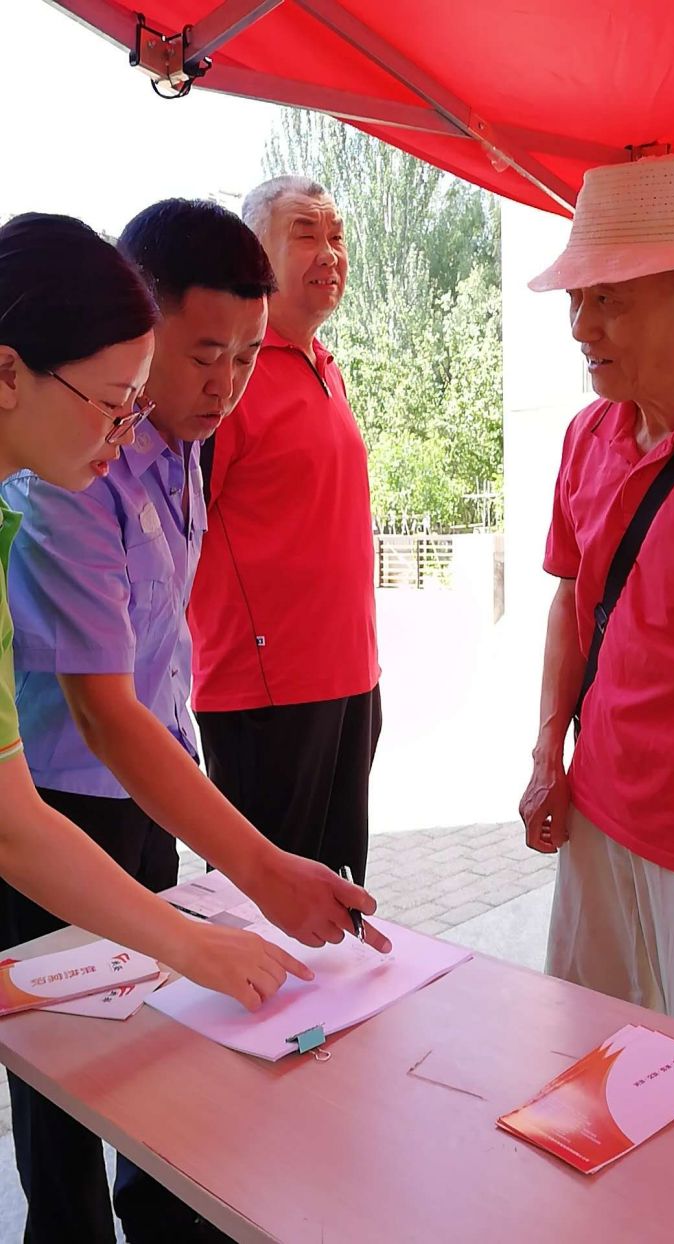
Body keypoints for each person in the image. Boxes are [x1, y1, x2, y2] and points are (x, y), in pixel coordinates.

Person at [2, 201, 389, 1244]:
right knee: (64, 1063)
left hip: (143, 784)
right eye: (114, 399)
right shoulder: (63, 481)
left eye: (248, 358)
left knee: (154, 1039)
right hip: (67, 797)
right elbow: (74, 749)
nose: (225, 385)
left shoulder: (158, 445)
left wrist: (219, 906)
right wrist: (238, 896)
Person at [519, 153, 674, 1026]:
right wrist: (547, 756)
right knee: (586, 1051)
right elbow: (571, 600)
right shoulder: (588, 435)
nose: (581, 327)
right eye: (576, 299)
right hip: (595, 808)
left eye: (610, 299)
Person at [190, 175, 381, 884]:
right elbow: (176, 532)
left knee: (337, 893)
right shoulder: (226, 376)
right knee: (262, 902)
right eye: (305, 234)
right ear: (255, 252)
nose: (329, 252)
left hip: (351, 680)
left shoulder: (325, 366)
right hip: (263, 697)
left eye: (336, 236)